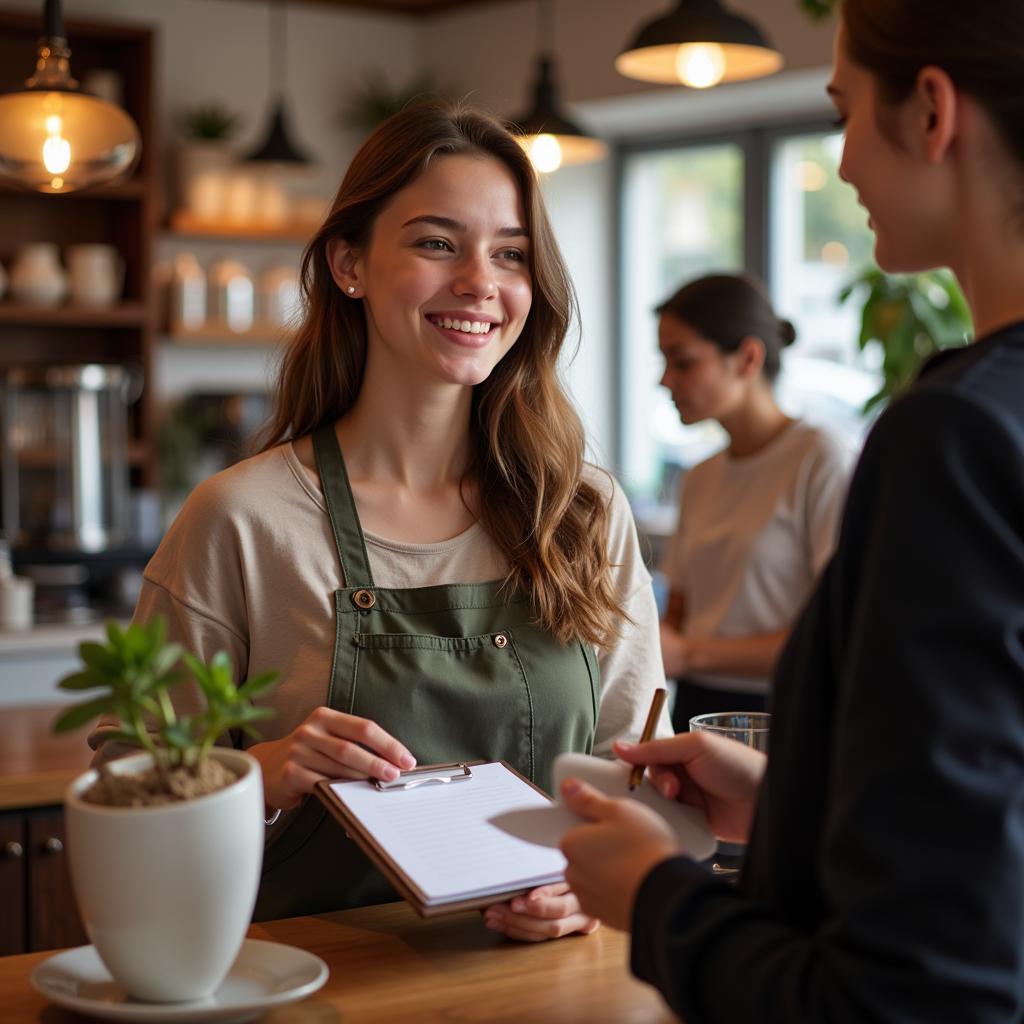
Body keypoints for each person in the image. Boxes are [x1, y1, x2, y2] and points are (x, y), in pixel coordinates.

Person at [90, 102, 667, 935]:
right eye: (437, 243)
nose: (480, 280)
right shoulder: (243, 521)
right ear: (349, 264)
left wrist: (591, 878)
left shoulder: (580, 512)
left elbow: (634, 766)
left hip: (552, 982)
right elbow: (126, 785)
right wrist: (263, 769)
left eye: (510, 254)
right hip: (316, 984)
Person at [559, 0, 1024, 1017]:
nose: (844, 158)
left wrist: (654, 896)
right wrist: (795, 803)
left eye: (840, 107)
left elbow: (913, 994)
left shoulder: (954, 440)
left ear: (932, 111)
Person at [654, 274, 852, 729]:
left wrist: (691, 654)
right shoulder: (700, 475)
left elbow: (836, 630)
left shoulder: (819, 458)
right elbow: (680, 614)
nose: (665, 381)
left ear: (747, 358)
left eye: (682, 362)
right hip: (698, 710)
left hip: (789, 709)